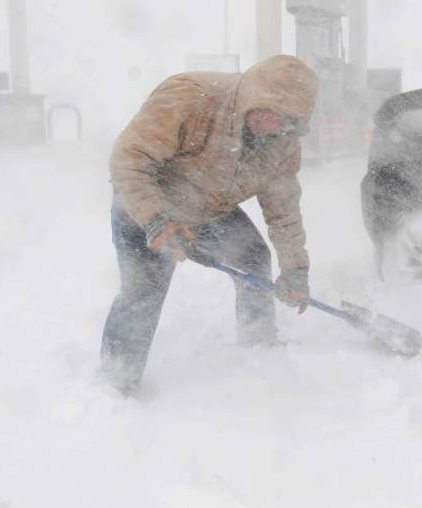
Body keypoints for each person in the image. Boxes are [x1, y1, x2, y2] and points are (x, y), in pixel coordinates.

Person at [101, 54, 318, 394]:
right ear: (251, 95)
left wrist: (295, 270)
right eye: (268, 109)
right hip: (143, 203)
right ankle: (117, 384)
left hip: (208, 208)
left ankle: (258, 346)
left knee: (252, 256)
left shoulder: (282, 146)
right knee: (144, 289)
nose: (273, 123)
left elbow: (284, 212)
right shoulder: (190, 96)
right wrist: (158, 220)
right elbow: (129, 160)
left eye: (285, 119)